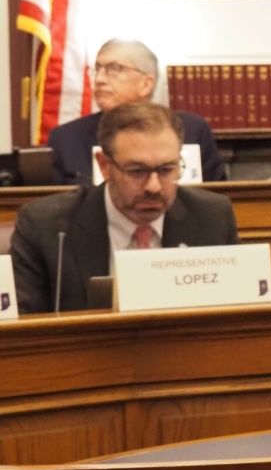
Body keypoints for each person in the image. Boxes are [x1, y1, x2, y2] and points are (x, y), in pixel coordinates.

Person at [12, 103, 239, 314]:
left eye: (166, 169)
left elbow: (237, 314)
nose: (153, 186)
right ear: (104, 165)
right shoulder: (48, 226)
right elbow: (23, 328)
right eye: (137, 171)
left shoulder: (212, 216)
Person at [48, 39, 224, 185]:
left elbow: (219, 197)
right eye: (97, 69)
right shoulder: (65, 138)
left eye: (114, 69)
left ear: (146, 84)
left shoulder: (191, 130)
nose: (99, 79)